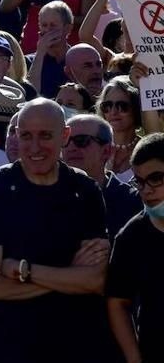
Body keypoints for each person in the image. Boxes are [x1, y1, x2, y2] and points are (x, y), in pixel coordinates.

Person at [0, 98, 117, 362]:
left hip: (75, 343)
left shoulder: (84, 191)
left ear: (64, 136)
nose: (35, 147)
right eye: (26, 135)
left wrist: (23, 270)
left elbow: (96, 281)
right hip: (12, 346)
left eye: (45, 136)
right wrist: (70, 276)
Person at [107, 132, 164, 363]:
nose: (146, 190)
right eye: (139, 181)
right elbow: (118, 302)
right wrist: (134, 358)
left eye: (156, 178)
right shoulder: (131, 237)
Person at [62, 114, 141, 243]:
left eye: (81, 140)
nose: (71, 148)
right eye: (65, 140)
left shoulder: (132, 203)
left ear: (106, 151)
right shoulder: (47, 195)